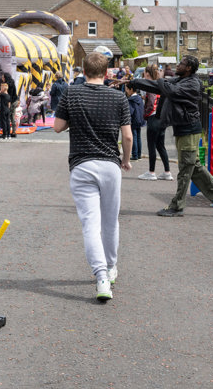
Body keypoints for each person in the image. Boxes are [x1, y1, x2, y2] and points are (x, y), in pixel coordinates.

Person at [52, 52, 132, 302]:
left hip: (82, 165)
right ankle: (111, 267)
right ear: (107, 72)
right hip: (110, 164)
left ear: (84, 71)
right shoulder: (119, 97)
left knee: (90, 224)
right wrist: (126, 161)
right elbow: (128, 136)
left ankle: (101, 277)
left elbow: (57, 126)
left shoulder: (72, 94)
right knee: (111, 221)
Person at [128, 55, 213, 217]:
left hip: (189, 130)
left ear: (189, 68)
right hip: (182, 129)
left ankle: (177, 206)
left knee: (185, 169)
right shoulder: (180, 80)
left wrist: (162, 79)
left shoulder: (192, 83)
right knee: (194, 167)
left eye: (182, 63)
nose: (178, 65)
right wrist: (134, 82)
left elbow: (169, 90)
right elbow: (158, 87)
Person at [137, 65, 173, 181]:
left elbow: (151, 103)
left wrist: (146, 114)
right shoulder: (160, 84)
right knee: (160, 145)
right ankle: (167, 172)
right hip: (162, 118)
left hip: (153, 118)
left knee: (151, 146)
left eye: (145, 73)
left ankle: (151, 172)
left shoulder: (150, 86)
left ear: (147, 73)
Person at [125, 83, 146, 161]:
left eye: (127, 89)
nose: (126, 91)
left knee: (134, 137)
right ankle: (139, 154)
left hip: (133, 120)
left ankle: (135, 154)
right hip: (140, 119)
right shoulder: (139, 98)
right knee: (138, 137)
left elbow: (130, 112)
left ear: (131, 90)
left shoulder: (130, 100)